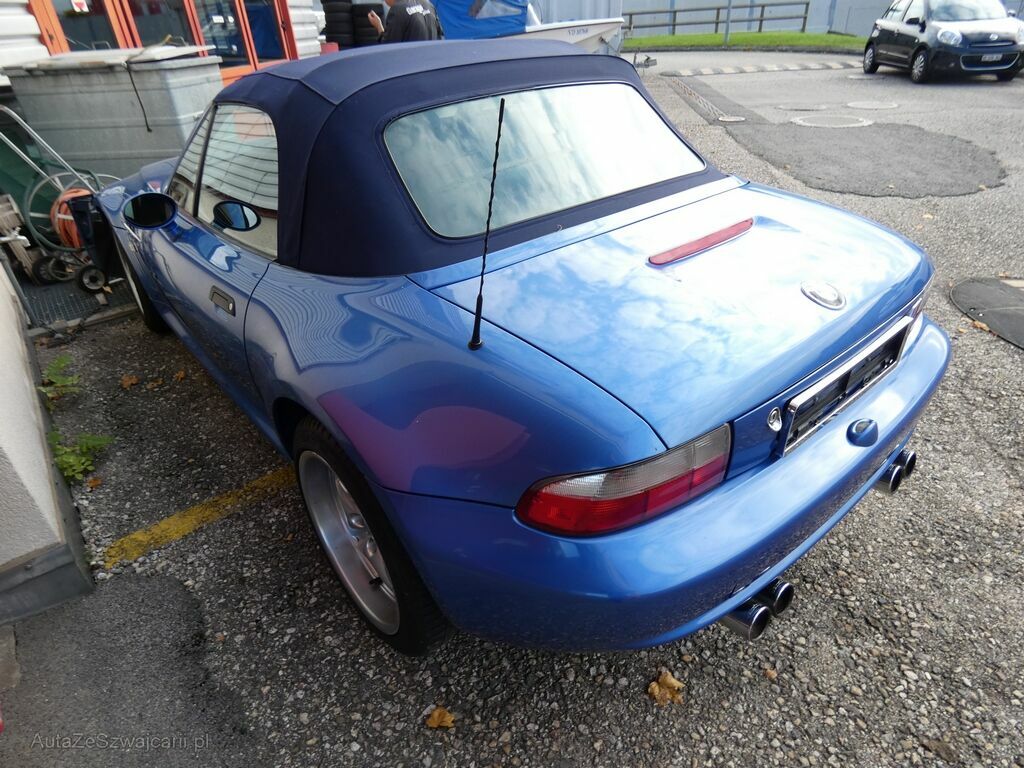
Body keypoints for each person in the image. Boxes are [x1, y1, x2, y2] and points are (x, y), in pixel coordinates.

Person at [368, 0, 444, 43]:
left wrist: (378, 26)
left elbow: (388, 45)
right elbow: (440, 37)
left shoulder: (397, 10)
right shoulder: (428, 5)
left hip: (411, 63)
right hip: (431, 62)